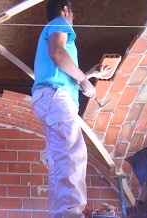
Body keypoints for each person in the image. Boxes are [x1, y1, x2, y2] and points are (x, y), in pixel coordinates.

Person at [30, 0, 110, 217]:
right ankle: (70, 213)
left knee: (60, 159)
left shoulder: (52, 28)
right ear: (65, 10)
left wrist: (90, 74)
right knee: (72, 154)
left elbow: (60, 71)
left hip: (49, 98)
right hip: (56, 98)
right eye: (72, 14)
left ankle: (63, 213)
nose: (72, 19)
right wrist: (85, 81)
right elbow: (57, 54)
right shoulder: (60, 22)